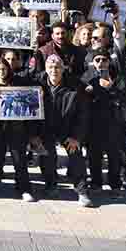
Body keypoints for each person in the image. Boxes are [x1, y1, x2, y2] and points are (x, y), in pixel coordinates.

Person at [0, 58, 42, 202]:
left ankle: (24, 188)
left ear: (8, 69)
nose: (1, 72)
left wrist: (37, 95)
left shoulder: (18, 83)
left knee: (19, 160)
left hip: (16, 128)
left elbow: (31, 91)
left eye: (4, 69)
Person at [36, 55, 92, 207]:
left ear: (64, 68)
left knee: (76, 155)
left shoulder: (75, 85)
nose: (54, 70)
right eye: (51, 67)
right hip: (46, 127)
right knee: (46, 154)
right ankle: (51, 185)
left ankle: (81, 190)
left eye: (58, 67)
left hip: (68, 127)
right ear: (46, 69)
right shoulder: (37, 82)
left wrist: (76, 137)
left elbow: (83, 115)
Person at [83, 47, 126, 198]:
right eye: (98, 60)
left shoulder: (117, 77)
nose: (101, 63)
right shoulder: (87, 77)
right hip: (94, 124)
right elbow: (81, 98)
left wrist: (111, 87)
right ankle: (96, 183)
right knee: (94, 156)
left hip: (113, 123)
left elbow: (125, 96)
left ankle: (115, 185)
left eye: (104, 60)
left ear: (109, 62)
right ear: (93, 62)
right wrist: (89, 90)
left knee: (114, 157)